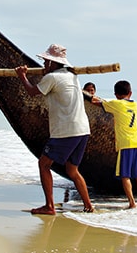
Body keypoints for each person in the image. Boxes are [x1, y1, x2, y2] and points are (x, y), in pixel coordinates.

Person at [15, 43, 94, 215]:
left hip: (66, 130)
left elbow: (32, 92)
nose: (44, 64)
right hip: (82, 129)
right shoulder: (72, 76)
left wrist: (22, 75)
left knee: (43, 163)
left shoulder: (52, 78)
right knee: (72, 170)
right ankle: (88, 205)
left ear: (53, 63)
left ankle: (49, 206)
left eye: (46, 61)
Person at [92, 80, 137, 208]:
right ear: (130, 93)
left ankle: (132, 202)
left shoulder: (116, 104)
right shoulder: (135, 105)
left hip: (125, 144)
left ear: (116, 94)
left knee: (125, 175)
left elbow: (96, 102)